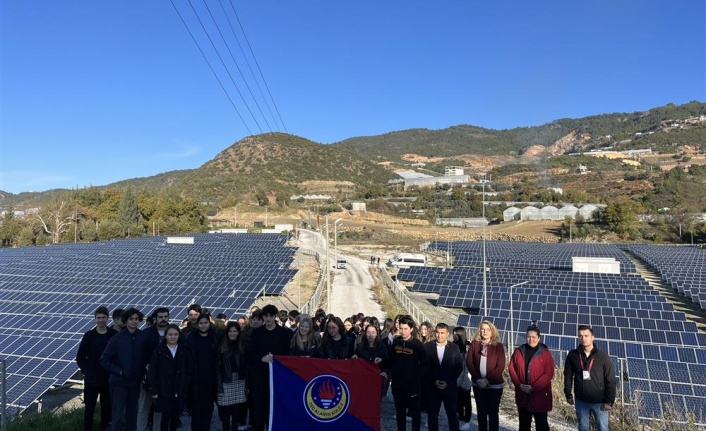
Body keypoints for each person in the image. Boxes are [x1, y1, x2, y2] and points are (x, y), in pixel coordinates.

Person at [100, 308, 149, 431]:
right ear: (125, 321)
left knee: (132, 414)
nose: (134, 321)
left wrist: (143, 372)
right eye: (131, 319)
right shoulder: (117, 339)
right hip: (119, 384)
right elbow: (104, 359)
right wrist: (119, 371)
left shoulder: (143, 337)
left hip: (135, 383)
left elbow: (146, 357)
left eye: (136, 319)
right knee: (117, 415)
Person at [247, 304, 291, 431]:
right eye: (266, 316)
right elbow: (250, 353)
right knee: (258, 407)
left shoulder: (283, 333)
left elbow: (287, 354)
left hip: (277, 376)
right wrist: (262, 358)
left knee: (275, 406)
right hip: (260, 376)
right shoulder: (257, 333)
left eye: (271, 316)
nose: (268, 319)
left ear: (275, 316)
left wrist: (278, 360)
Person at [564, 325, 616, 431]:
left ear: (593, 337)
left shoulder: (603, 358)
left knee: (603, 428)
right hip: (581, 401)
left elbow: (610, 380)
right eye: (580, 336)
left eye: (586, 335)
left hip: (600, 402)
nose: (583, 338)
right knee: (583, 428)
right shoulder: (573, 355)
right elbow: (568, 376)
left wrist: (609, 401)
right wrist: (568, 394)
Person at [76, 306, 119, 431]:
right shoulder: (89, 336)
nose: (101, 320)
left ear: (107, 318)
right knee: (89, 408)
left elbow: (118, 355)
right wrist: (86, 371)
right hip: (92, 380)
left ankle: (104, 428)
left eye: (103, 317)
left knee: (107, 407)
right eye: (98, 318)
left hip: (108, 379)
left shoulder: (114, 335)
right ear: (95, 319)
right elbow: (80, 357)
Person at [147, 324, 194, 431]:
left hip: (179, 389)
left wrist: (185, 383)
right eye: (170, 334)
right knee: (165, 417)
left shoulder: (184, 350)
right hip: (163, 389)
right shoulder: (159, 350)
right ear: (166, 336)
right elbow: (152, 371)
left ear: (179, 335)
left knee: (175, 417)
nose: (173, 337)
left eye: (176, 334)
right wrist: (153, 389)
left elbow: (189, 368)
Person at [509, 325, 554, 431]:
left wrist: (533, 387)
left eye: (534, 337)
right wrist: (519, 385)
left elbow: (549, 373)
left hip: (540, 396)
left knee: (541, 425)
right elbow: (511, 368)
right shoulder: (519, 351)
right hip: (523, 395)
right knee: (524, 425)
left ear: (539, 338)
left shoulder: (545, 353)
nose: (531, 339)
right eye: (529, 337)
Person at [389, 315, 429, 431]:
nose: (403, 331)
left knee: (415, 412)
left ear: (411, 329)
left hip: (412, 385)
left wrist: (415, 375)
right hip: (397, 384)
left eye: (405, 329)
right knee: (400, 411)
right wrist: (391, 372)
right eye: (401, 328)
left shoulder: (417, 344)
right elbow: (390, 360)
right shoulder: (396, 342)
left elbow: (425, 364)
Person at [467, 320, 505, 431]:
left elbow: (500, 366)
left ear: (492, 331)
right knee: (481, 412)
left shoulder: (498, 346)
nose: (485, 331)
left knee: (493, 412)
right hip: (478, 384)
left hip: (494, 386)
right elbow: (470, 362)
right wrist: (478, 379)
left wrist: (487, 379)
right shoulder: (474, 344)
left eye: (488, 329)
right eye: (482, 329)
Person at [424, 323, 463, 431]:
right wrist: (433, 380)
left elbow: (458, 367)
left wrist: (448, 382)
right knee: (432, 415)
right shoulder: (427, 347)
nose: (439, 335)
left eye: (442, 333)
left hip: (449, 388)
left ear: (447, 334)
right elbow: (425, 366)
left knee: (452, 416)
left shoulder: (454, 348)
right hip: (433, 387)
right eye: (437, 332)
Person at [186, 313, 221, 431]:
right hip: (196, 379)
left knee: (208, 408)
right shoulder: (191, 338)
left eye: (205, 323)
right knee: (196, 409)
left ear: (209, 323)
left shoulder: (215, 337)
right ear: (197, 324)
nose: (203, 325)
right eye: (201, 323)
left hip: (211, 379)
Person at [139, 307, 170, 431]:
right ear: (155, 319)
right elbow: (140, 355)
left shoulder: (173, 332)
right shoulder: (146, 333)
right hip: (147, 376)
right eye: (160, 317)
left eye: (165, 316)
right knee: (143, 407)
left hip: (165, 378)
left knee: (161, 409)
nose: (163, 319)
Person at [216, 322, 248, 431]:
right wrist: (219, 387)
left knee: (236, 412)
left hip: (239, 381)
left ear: (238, 333)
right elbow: (218, 368)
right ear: (227, 333)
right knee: (225, 413)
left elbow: (245, 366)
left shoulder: (242, 346)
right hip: (226, 380)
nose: (232, 333)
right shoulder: (221, 347)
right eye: (230, 331)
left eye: (235, 331)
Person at [352, 322, 389, 399]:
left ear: (376, 334)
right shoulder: (360, 346)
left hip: (376, 379)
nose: (370, 335)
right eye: (368, 332)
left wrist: (384, 369)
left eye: (373, 332)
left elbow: (387, 362)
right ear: (365, 333)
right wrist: (354, 356)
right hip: (363, 379)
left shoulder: (382, 347)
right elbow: (355, 356)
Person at [452, 327, 472, 431]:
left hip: (465, 379)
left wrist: (466, 382)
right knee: (457, 401)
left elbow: (468, 367)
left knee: (466, 401)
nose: (455, 336)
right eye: (453, 334)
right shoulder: (452, 346)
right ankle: (460, 418)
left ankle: (467, 420)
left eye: (457, 334)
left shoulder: (468, 347)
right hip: (455, 380)